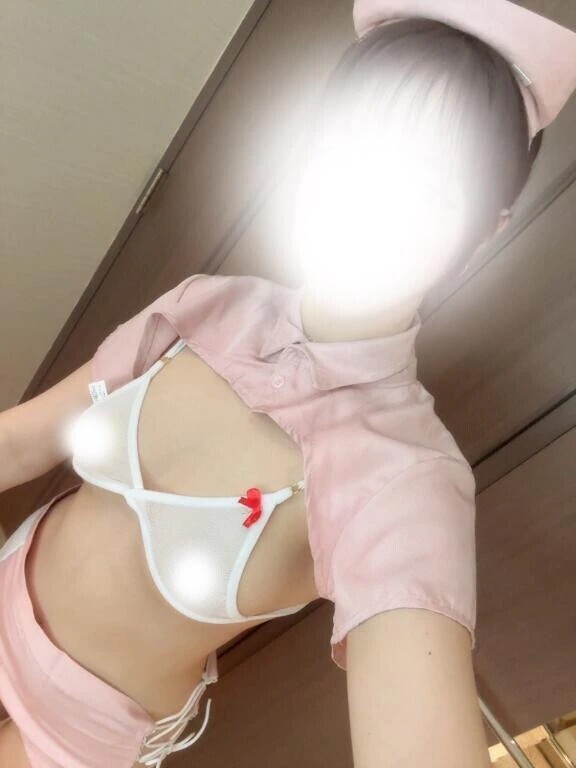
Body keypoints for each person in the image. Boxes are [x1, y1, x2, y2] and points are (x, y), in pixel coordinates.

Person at [0, 2, 574, 767]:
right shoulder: (206, 304)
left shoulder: (402, 477)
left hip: (72, 736)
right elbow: (19, 444)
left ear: (485, 231)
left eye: (431, 191)